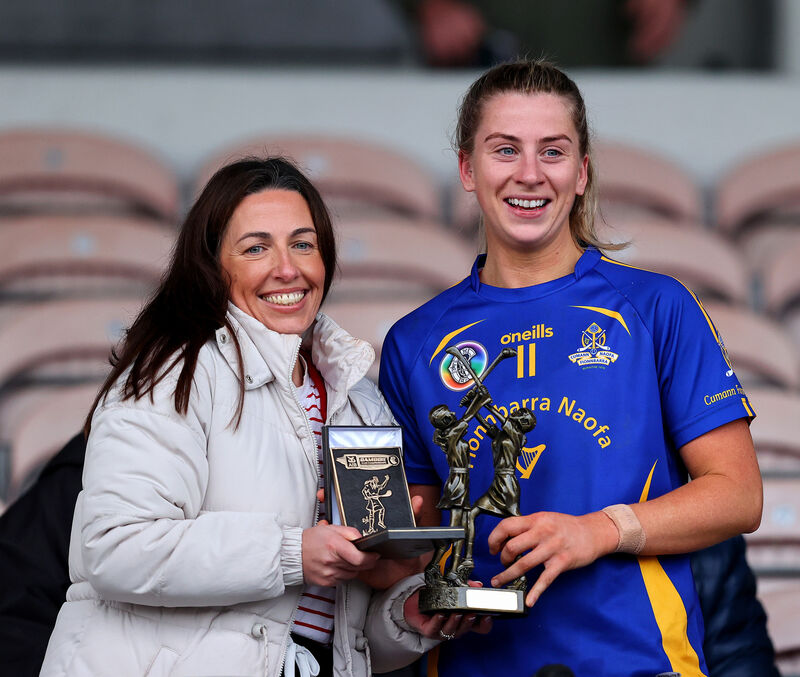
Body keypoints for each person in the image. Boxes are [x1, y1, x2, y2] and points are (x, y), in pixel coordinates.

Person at [378, 60, 763, 676]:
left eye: (552, 152)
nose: (529, 174)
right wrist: (359, 530)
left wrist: (598, 532)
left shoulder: (655, 307)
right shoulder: (415, 340)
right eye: (504, 150)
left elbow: (739, 495)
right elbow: (413, 532)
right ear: (467, 170)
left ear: (582, 172)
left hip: (637, 663)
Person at [36, 157, 471, 677]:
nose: (287, 268)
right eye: (256, 248)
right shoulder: (174, 372)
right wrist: (294, 553)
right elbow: (116, 548)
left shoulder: (359, 400)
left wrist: (406, 618)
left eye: (303, 244)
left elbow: (325, 633)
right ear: (213, 266)